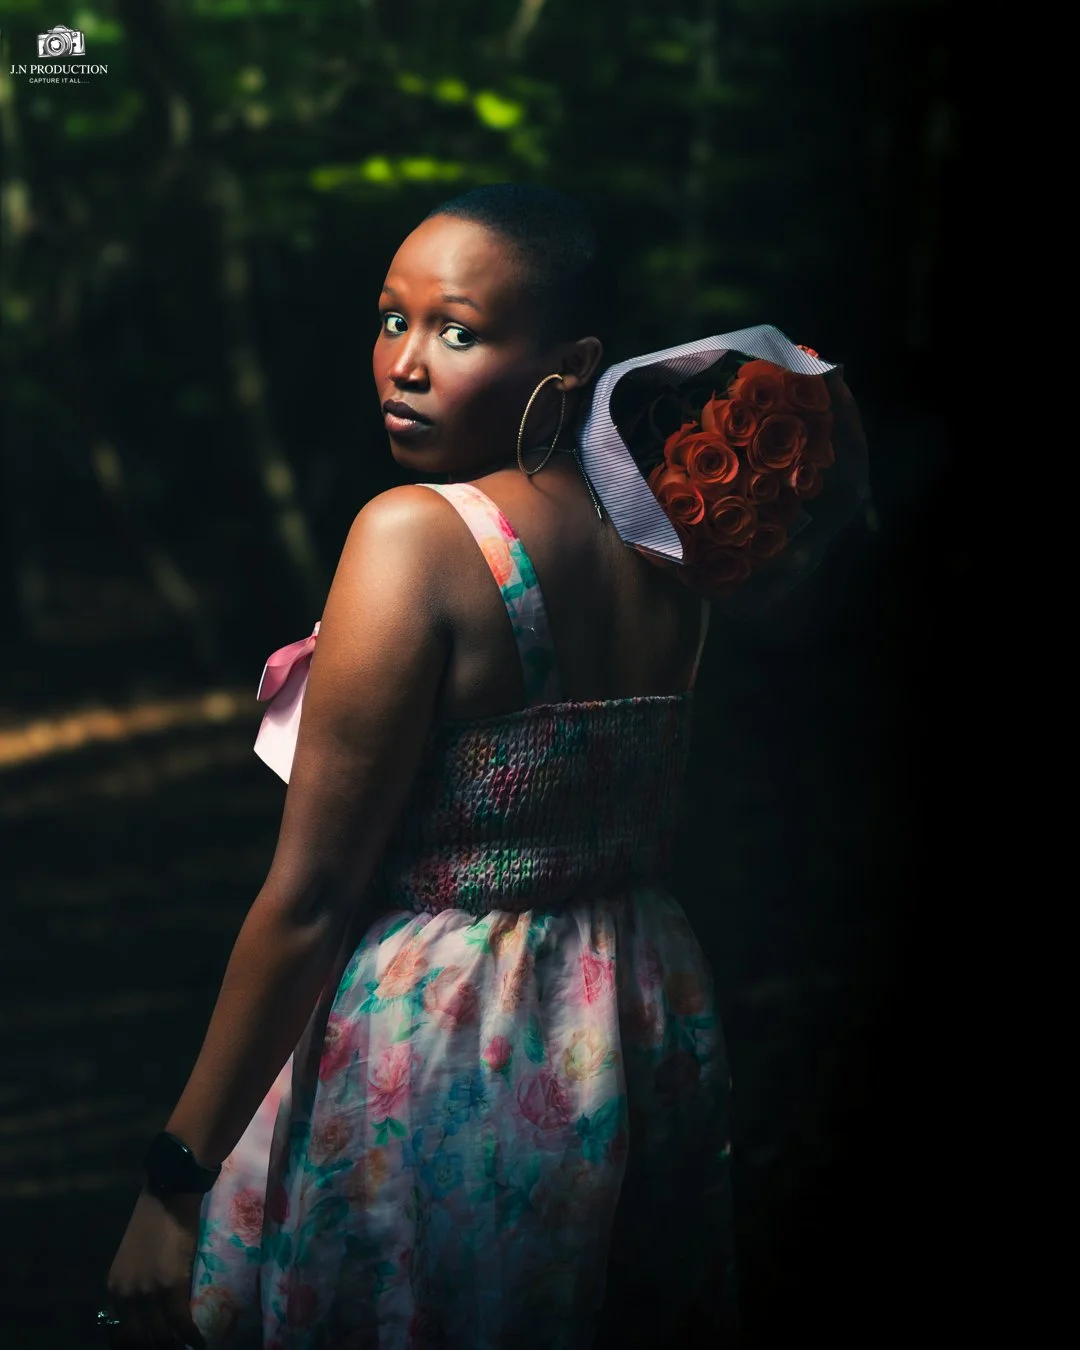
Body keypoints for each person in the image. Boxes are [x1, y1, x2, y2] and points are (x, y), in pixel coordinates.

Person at [100, 181, 866, 1350]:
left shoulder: (417, 535)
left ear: (571, 366)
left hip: (449, 1039)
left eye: (457, 332)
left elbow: (311, 897)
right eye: (391, 319)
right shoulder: (673, 548)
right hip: (634, 1019)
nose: (404, 363)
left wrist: (174, 1179)